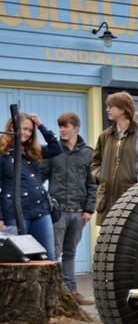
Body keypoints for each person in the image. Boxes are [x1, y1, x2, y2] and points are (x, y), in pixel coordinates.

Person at [41, 112, 97, 305]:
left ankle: (72, 292)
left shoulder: (88, 153)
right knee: (54, 253)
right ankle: (54, 295)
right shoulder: (53, 151)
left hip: (79, 213)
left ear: (76, 129)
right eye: (60, 126)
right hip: (57, 213)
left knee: (70, 253)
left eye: (66, 126)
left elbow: (93, 184)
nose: (62, 130)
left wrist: (89, 209)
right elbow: (39, 178)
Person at [0, 112, 62, 259]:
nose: (27, 133)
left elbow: (56, 148)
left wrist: (41, 126)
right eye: (24, 129)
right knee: (18, 258)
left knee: (49, 256)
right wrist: (0, 217)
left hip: (40, 210)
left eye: (30, 130)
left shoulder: (32, 151)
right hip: (14, 213)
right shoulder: (2, 154)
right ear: (12, 127)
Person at [92, 91, 138, 226]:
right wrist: (101, 176)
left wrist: (135, 177)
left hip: (130, 196)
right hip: (106, 199)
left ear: (123, 109)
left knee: (128, 241)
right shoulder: (105, 136)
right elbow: (95, 162)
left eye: (111, 106)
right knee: (106, 243)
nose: (107, 110)